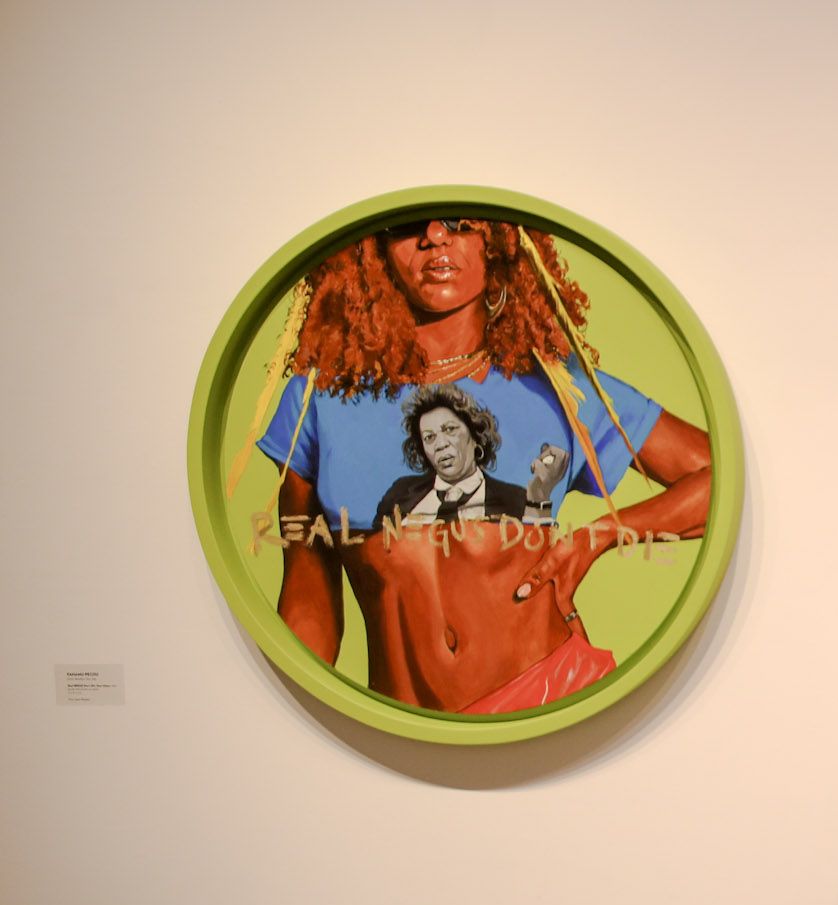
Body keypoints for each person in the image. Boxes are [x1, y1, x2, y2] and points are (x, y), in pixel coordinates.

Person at [251, 217, 712, 714]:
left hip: (555, 696)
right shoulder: (317, 400)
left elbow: (719, 477)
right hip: (405, 727)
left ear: (499, 243)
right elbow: (306, 594)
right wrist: (292, 720)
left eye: (460, 225)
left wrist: (596, 537)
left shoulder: (560, 388)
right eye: (409, 227)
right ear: (371, 252)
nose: (435, 238)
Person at [374, 383, 555, 526]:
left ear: (475, 435)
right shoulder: (399, 495)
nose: (441, 444)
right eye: (429, 437)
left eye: (450, 429)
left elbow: (534, 559)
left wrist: (539, 500)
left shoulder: (516, 500)